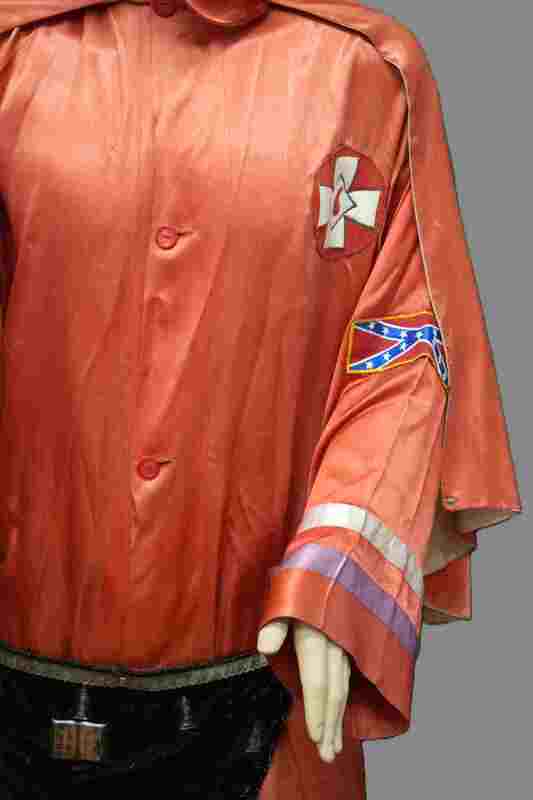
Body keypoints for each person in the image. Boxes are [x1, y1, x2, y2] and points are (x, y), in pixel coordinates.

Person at [0, 1, 522, 797]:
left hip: (262, 682)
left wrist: (337, 575)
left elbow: (402, 351)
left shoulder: (362, 73)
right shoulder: (15, 54)